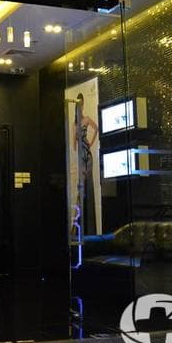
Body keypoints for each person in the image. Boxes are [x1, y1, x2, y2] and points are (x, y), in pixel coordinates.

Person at [72, 92, 99, 237]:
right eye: (79, 104)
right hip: (81, 158)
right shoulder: (74, 125)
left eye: (82, 104)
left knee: (88, 186)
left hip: (87, 156)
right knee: (81, 188)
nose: (81, 106)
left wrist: (91, 143)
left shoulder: (87, 119)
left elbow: (96, 129)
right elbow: (73, 145)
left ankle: (90, 229)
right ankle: (79, 228)